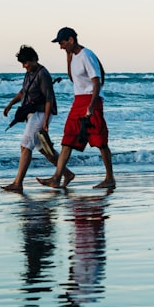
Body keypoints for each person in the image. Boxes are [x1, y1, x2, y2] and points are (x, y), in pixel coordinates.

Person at [38, 27, 116, 189]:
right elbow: (73, 78)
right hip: (78, 100)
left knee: (100, 140)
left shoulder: (87, 55)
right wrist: (67, 56)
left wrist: (91, 105)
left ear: (71, 40)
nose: (60, 46)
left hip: (91, 100)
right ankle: (57, 177)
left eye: (62, 43)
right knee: (68, 138)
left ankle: (110, 178)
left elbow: (96, 81)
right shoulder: (73, 56)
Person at [1, 45, 73, 192]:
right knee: (43, 149)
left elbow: (49, 99)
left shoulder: (43, 74)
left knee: (25, 145)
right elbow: (23, 92)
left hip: (41, 113)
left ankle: (17, 183)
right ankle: (67, 173)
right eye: (22, 63)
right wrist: (10, 104)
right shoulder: (29, 73)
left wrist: (46, 122)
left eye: (25, 62)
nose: (24, 66)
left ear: (34, 59)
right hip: (32, 114)